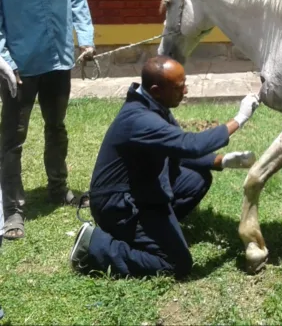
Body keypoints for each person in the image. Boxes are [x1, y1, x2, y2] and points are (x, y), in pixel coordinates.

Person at [69, 56, 260, 279]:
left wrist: (222, 161)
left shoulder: (154, 105)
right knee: (176, 264)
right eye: (179, 87)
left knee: (198, 179)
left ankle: (156, 231)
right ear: (156, 90)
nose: (186, 91)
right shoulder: (140, 119)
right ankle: (95, 244)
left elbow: (177, 150)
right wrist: (240, 118)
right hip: (117, 204)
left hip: (143, 190)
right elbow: (190, 145)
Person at [0, 0, 96, 240]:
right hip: (18, 62)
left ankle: (59, 189)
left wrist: (85, 39)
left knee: (57, 127)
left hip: (57, 57)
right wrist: (2, 57)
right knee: (13, 139)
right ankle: (12, 211)